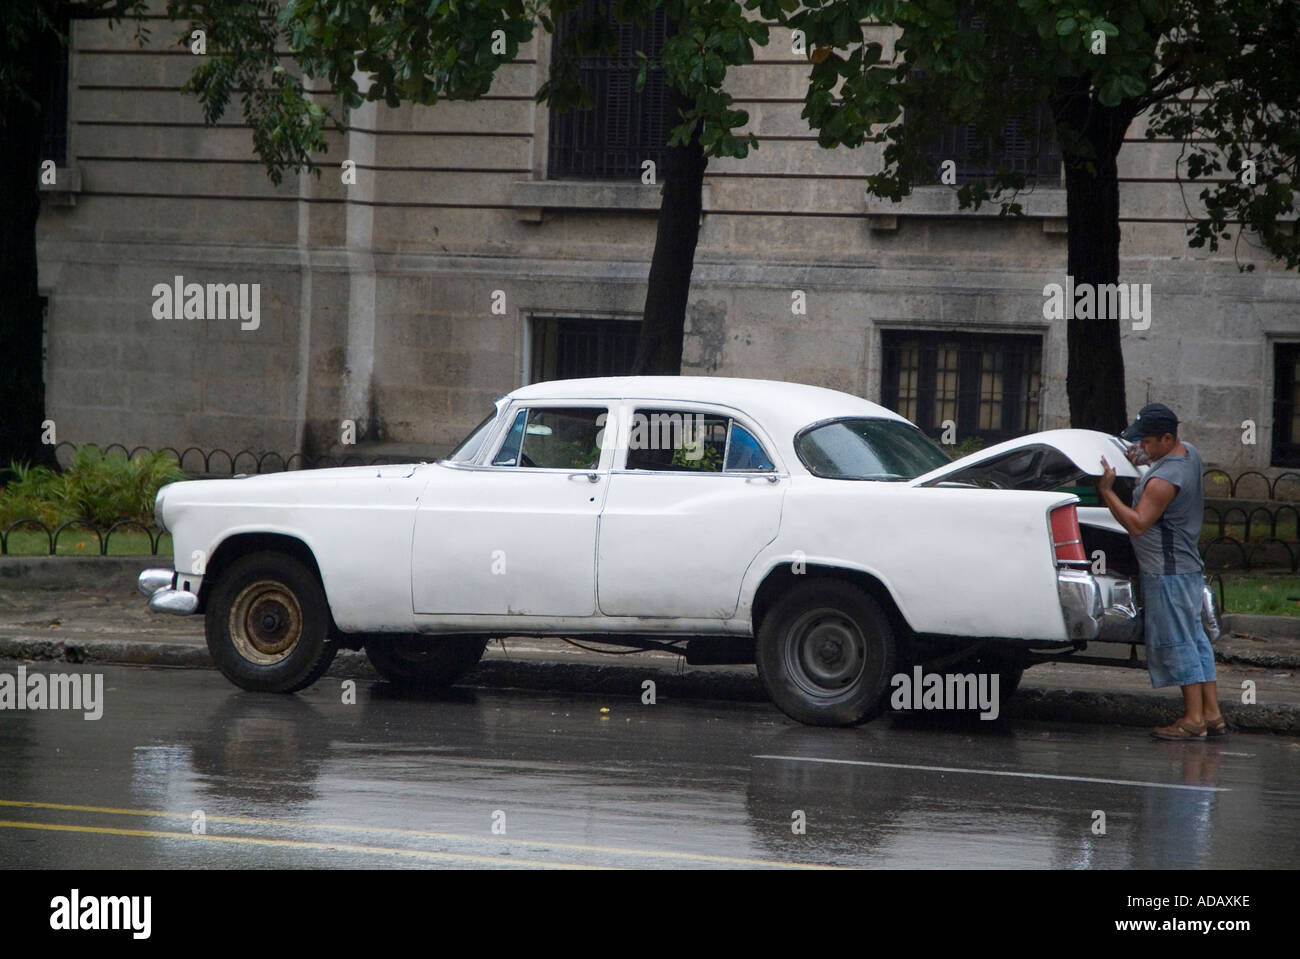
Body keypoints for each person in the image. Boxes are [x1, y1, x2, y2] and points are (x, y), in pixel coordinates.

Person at [1098, 403, 1223, 740]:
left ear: (1167, 438)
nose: (1144, 448)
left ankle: (1192, 720)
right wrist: (1139, 455)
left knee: (1177, 642)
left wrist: (1108, 492)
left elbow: (1138, 524)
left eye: (1148, 442)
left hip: (1166, 572)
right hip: (1186, 568)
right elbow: (1153, 458)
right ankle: (1211, 714)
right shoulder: (1188, 454)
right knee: (1196, 639)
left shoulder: (1165, 481)